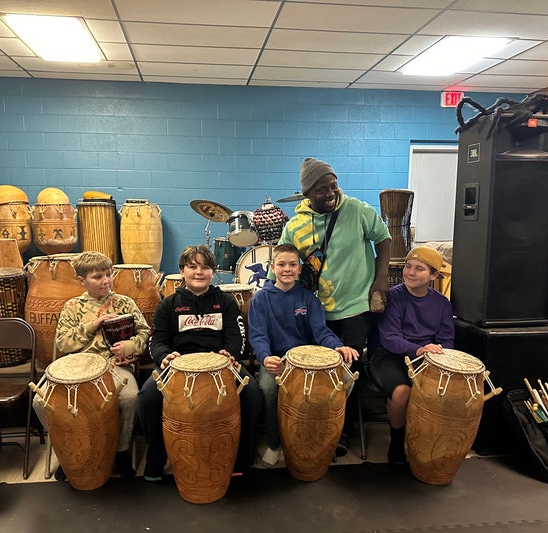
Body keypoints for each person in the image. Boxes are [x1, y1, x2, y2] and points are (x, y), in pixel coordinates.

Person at [278, 157, 391, 455]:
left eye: (333, 185)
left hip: (355, 307)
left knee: (346, 372)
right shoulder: (295, 226)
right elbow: (285, 262)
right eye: (320, 189)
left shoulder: (356, 210)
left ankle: (342, 431)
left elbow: (383, 238)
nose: (330, 193)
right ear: (306, 194)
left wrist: (380, 281)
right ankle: (322, 423)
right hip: (317, 312)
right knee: (322, 372)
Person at [138, 244, 261, 481]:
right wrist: (165, 357)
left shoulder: (225, 302)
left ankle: (240, 456)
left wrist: (230, 354)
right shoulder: (168, 304)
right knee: (147, 397)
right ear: (182, 271)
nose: (199, 272)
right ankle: (157, 455)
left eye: (205, 267)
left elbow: (237, 337)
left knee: (253, 394)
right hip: (178, 366)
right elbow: (157, 340)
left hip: (221, 365)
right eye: (192, 267)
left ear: (213, 272)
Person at [34, 251, 150, 479]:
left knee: (129, 398)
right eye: (97, 277)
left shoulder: (124, 303)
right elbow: (63, 343)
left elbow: (145, 333)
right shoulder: (72, 307)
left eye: (108, 274)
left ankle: (120, 452)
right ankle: (69, 449)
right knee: (40, 402)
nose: (105, 280)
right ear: (82, 280)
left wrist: (128, 347)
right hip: (76, 369)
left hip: (112, 367)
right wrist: (93, 324)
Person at [248, 243, 359, 466]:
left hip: (308, 360)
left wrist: (337, 346)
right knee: (268, 388)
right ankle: (274, 442)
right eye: (281, 264)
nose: (287, 269)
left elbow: (321, 331)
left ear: (300, 268)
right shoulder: (261, 299)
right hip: (277, 360)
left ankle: (317, 432)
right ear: (272, 267)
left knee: (347, 379)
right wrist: (264, 357)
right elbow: (258, 336)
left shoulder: (309, 298)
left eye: (292, 264)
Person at [370, 246, 454, 464]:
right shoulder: (394, 297)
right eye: (408, 267)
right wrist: (419, 350)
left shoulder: (442, 304)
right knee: (401, 392)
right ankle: (397, 442)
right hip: (389, 356)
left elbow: (447, 341)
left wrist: (438, 355)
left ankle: (429, 441)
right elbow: (389, 338)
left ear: (434, 275)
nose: (410, 272)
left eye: (419, 269)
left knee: (442, 392)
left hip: (427, 359)